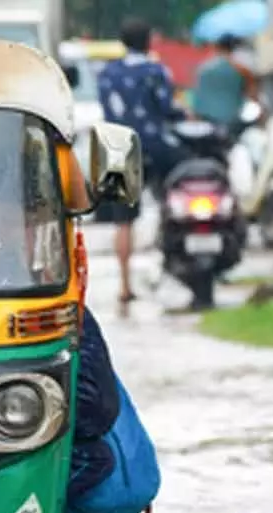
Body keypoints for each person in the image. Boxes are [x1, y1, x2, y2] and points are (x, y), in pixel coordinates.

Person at [97, 17, 188, 306]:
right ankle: (170, 265)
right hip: (155, 147)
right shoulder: (155, 72)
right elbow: (167, 107)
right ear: (148, 41)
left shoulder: (108, 74)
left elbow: (107, 110)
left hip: (119, 148)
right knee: (171, 203)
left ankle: (124, 285)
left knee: (123, 221)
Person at [191, 34, 259, 129]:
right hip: (231, 122)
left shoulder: (204, 68)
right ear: (234, 48)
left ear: (216, 46)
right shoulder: (242, 70)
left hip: (205, 120)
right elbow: (253, 95)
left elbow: (197, 97)